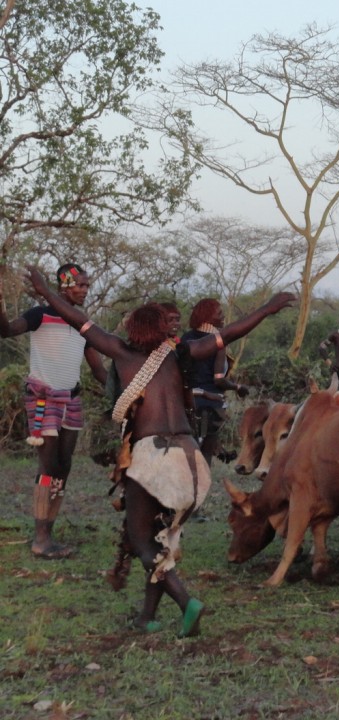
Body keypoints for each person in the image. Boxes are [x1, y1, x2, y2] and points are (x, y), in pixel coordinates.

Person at [26, 265, 295, 636]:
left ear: (136, 330)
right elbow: (227, 334)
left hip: (154, 458)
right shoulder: (182, 353)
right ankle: (146, 616)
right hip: (192, 461)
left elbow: (76, 318)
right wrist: (267, 307)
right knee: (160, 539)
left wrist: (43, 289)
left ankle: (186, 602)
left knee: (140, 541)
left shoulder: (120, 351)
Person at [0, 263, 107, 559]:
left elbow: (98, 369)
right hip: (44, 399)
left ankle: (49, 530)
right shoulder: (39, 314)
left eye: (87, 286)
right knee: (48, 468)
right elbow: (6, 331)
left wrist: (127, 392)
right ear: (64, 286)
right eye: (80, 286)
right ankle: (41, 538)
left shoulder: (81, 322)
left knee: (64, 466)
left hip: (72, 400)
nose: (85, 291)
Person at [180, 299, 249, 462]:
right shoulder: (217, 342)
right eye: (219, 313)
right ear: (208, 316)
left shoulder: (185, 339)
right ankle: (203, 485)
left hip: (187, 402)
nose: (223, 316)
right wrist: (238, 387)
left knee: (187, 451)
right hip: (211, 404)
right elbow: (219, 380)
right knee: (205, 454)